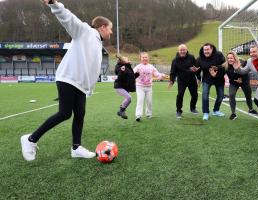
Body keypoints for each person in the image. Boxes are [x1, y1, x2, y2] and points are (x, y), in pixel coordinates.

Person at [20, 0, 113, 161]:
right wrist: (54, 4)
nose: (111, 32)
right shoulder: (85, 31)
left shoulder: (97, 43)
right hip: (68, 79)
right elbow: (68, 18)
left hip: (80, 85)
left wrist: (89, 88)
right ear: (103, 27)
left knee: (80, 114)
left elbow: (90, 69)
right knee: (64, 113)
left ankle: (76, 148)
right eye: (110, 28)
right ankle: (30, 139)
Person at [195, 43, 226, 121]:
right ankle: (206, 112)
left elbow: (225, 66)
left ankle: (216, 110)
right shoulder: (199, 59)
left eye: (208, 49)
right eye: (204, 50)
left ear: (212, 49)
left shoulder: (219, 55)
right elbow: (197, 70)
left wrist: (217, 72)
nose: (206, 51)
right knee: (205, 94)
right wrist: (198, 78)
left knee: (221, 95)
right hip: (206, 79)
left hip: (219, 78)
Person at [225, 51, 258, 120]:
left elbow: (246, 72)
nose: (229, 60)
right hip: (234, 83)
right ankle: (233, 113)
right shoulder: (226, 65)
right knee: (231, 95)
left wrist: (242, 79)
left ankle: (251, 109)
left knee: (248, 95)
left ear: (235, 58)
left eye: (231, 58)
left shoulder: (242, 62)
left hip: (244, 82)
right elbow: (229, 75)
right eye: (228, 58)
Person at [168, 44, 199, 118]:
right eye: (181, 50)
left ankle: (193, 108)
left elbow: (196, 68)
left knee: (195, 95)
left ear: (186, 50)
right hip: (181, 81)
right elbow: (173, 72)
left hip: (192, 79)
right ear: (178, 51)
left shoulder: (191, 57)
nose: (182, 51)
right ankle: (179, 111)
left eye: (184, 50)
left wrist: (198, 77)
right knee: (180, 94)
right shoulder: (175, 60)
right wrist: (171, 80)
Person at [133, 52, 165, 122]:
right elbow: (132, 74)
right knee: (140, 100)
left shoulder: (151, 67)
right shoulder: (138, 67)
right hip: (140, 86)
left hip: (149, 87)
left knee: (149, 101)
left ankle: (149, 114)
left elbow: (157, 74)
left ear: (148, 58)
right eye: (143, 57)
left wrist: (162, 75)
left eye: (146, 57)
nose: (145, 58)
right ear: (140, 59)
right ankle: (138, 115)